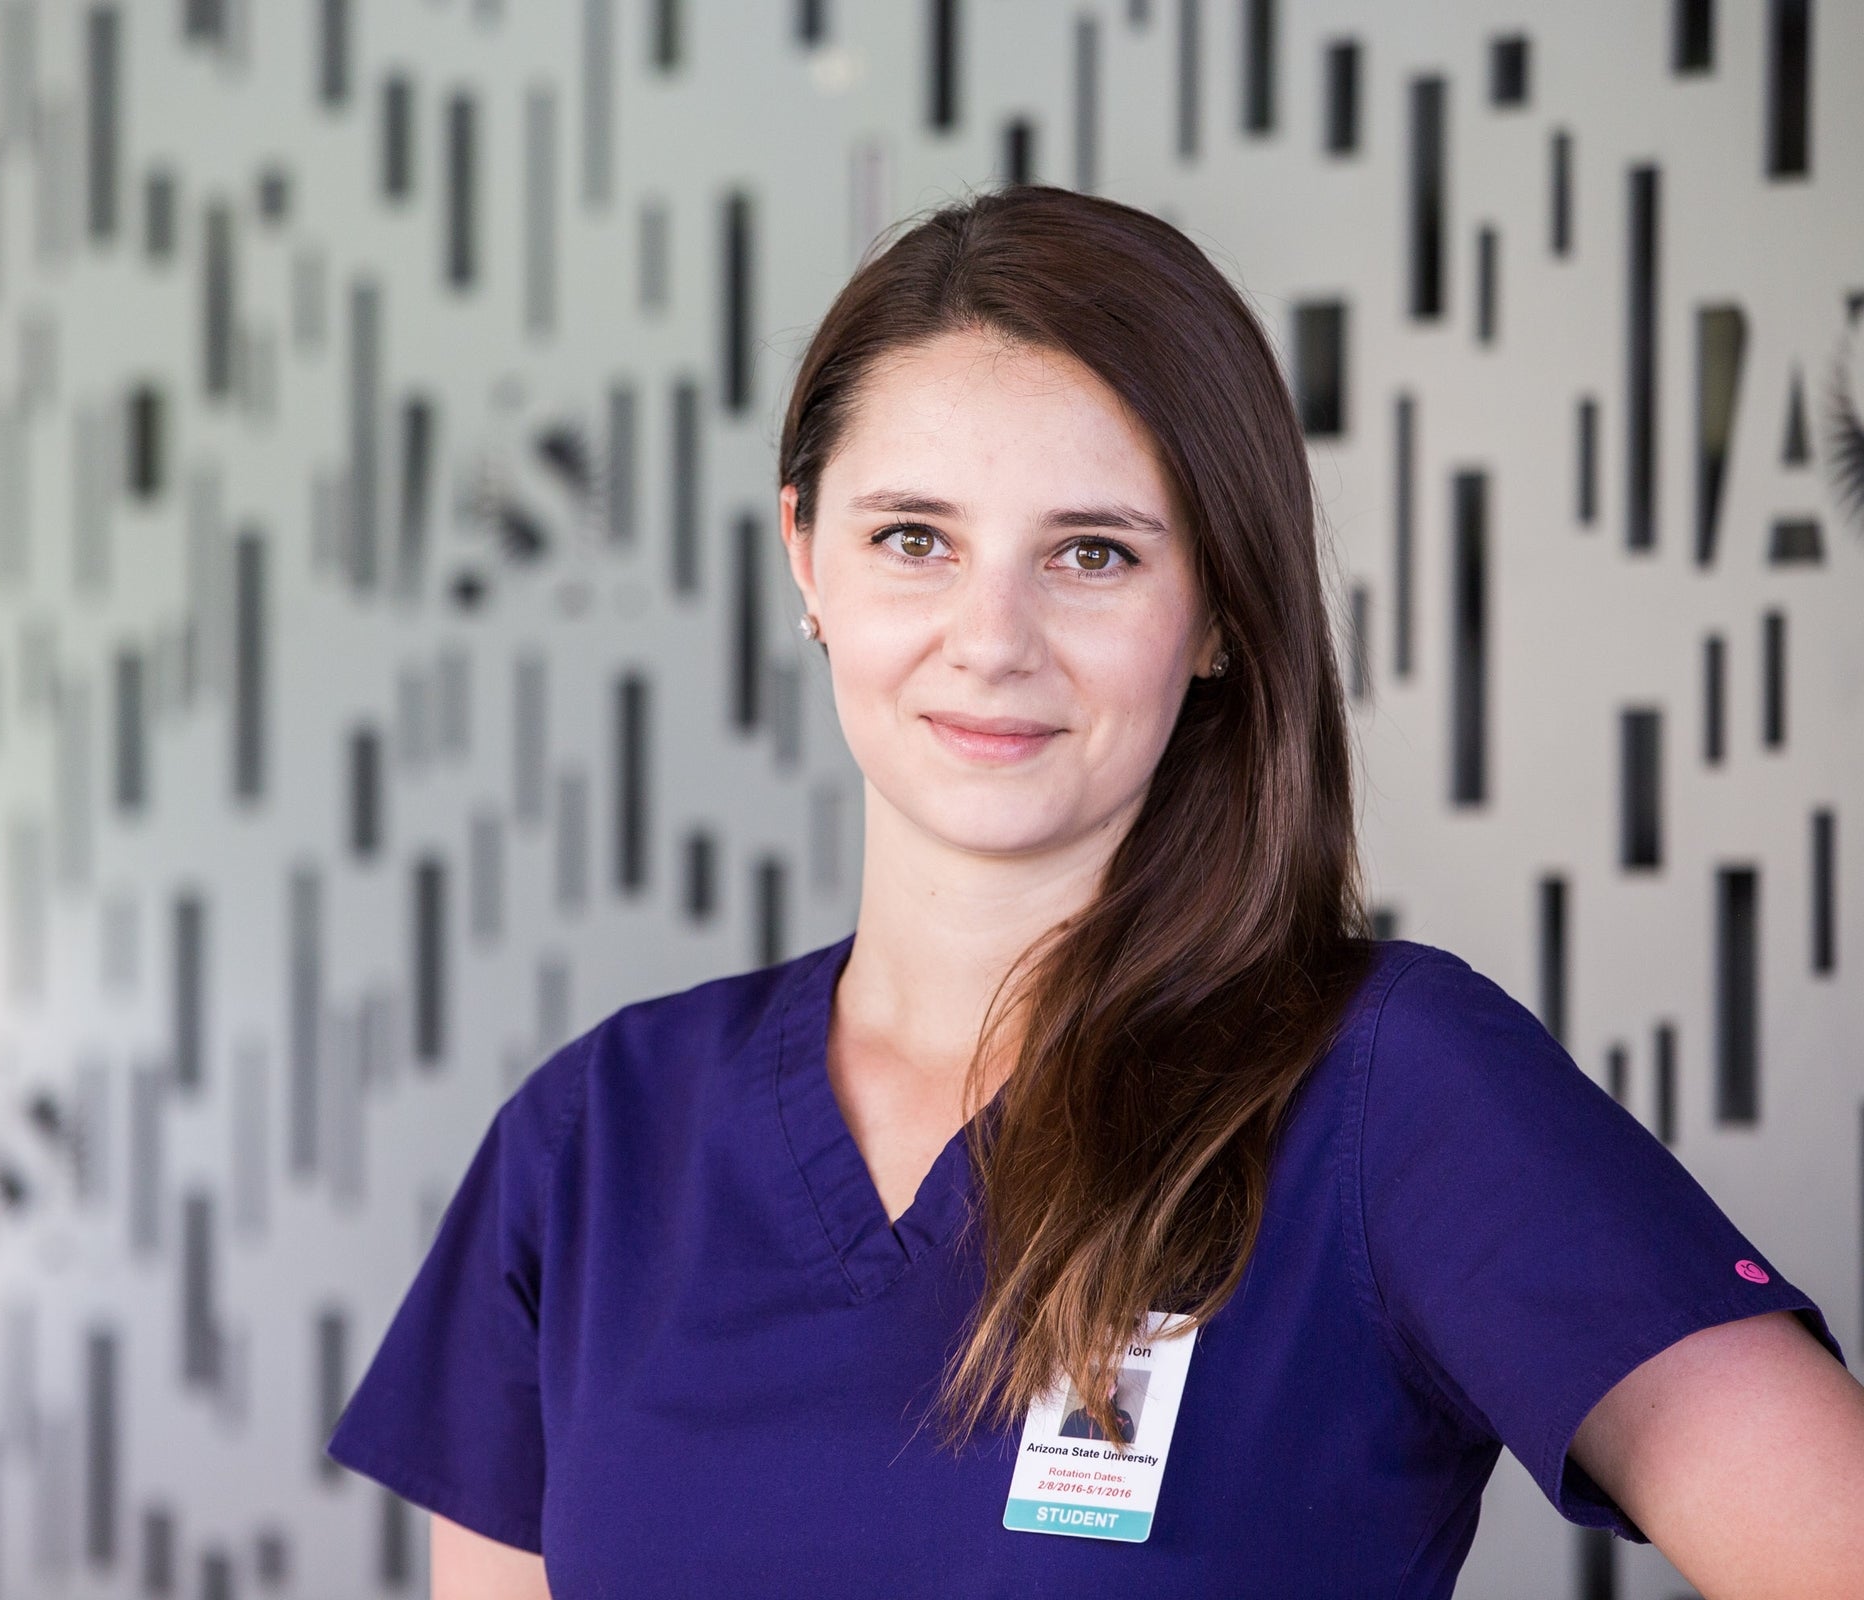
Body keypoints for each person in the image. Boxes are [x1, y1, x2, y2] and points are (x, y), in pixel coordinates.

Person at [325, 184, 1864, 1597]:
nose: (990, 637)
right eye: (913, 538)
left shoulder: (1389, 1095)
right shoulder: (598, 1144)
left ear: (1216, 613)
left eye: (1095, 555)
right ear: (806, 559)